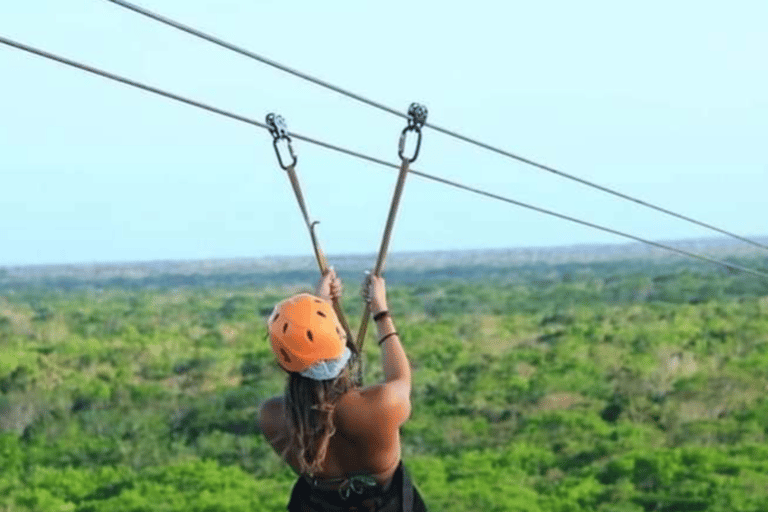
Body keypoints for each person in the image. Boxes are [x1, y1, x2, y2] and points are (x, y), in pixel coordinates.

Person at [258, 268, 427, 511]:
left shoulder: (274, 417)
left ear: (282, 363)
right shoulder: (382, 405)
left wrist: (322, 305)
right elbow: (400, 376)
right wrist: (380, 311)